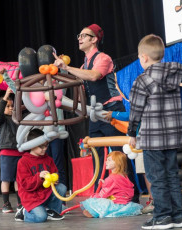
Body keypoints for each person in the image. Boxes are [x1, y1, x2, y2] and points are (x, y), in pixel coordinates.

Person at [54, 24, 138, 202]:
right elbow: (76, 78)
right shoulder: (84, 63)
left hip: (110, 111)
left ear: (94, 39)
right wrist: (59, 69)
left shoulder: (103, 58)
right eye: (79, 35)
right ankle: (102, 193)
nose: (79, 38)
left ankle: (130, 196)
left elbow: (93, 76)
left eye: (84, 35)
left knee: (118, 154)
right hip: (95, 113)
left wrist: (67, 68)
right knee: (97, 155)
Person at [127, 34, 182, 229]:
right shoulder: (174, 76)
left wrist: (131, 133)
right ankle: (178, 216)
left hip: (152, 139)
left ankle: (162, 217)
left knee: (157, 178)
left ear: (144, 57)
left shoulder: (143, 80)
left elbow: (135, 111)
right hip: (172, 136)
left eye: (138, 56)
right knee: (171, 175)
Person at [15, 129, 67, 223]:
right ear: (32, 145)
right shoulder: (23, 162)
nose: (45, 148)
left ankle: (51, 211)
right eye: (41, 146)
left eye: (46, 145)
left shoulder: (48, 159)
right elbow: (25, 184)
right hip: (31, 198)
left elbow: (55, 173)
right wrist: (39, 177)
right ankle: (24, 212)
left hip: (45, 194)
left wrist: (54, 179)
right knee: (41, 217)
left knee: (62, 187)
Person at [81, 151, 142, 218]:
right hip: (124, 203)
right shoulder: (124, 176)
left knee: (92, 204)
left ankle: (95, 212)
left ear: (117, 163)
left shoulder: (111, 178)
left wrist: (94, 197)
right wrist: (105, 184)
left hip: (115, 202)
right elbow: (119, 188)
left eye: (109, 160)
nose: (106, 162)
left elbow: (103, 195)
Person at [0, 86, 23, 213]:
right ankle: (6, 203)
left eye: (12, 106)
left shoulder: (16, 119)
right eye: (8, 106)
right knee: (6, 178)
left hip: (19, 151)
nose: (11, 108)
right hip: (6, 152)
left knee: (18, 179)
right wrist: (5, 96)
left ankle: (20, 203)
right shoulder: (0, 120)